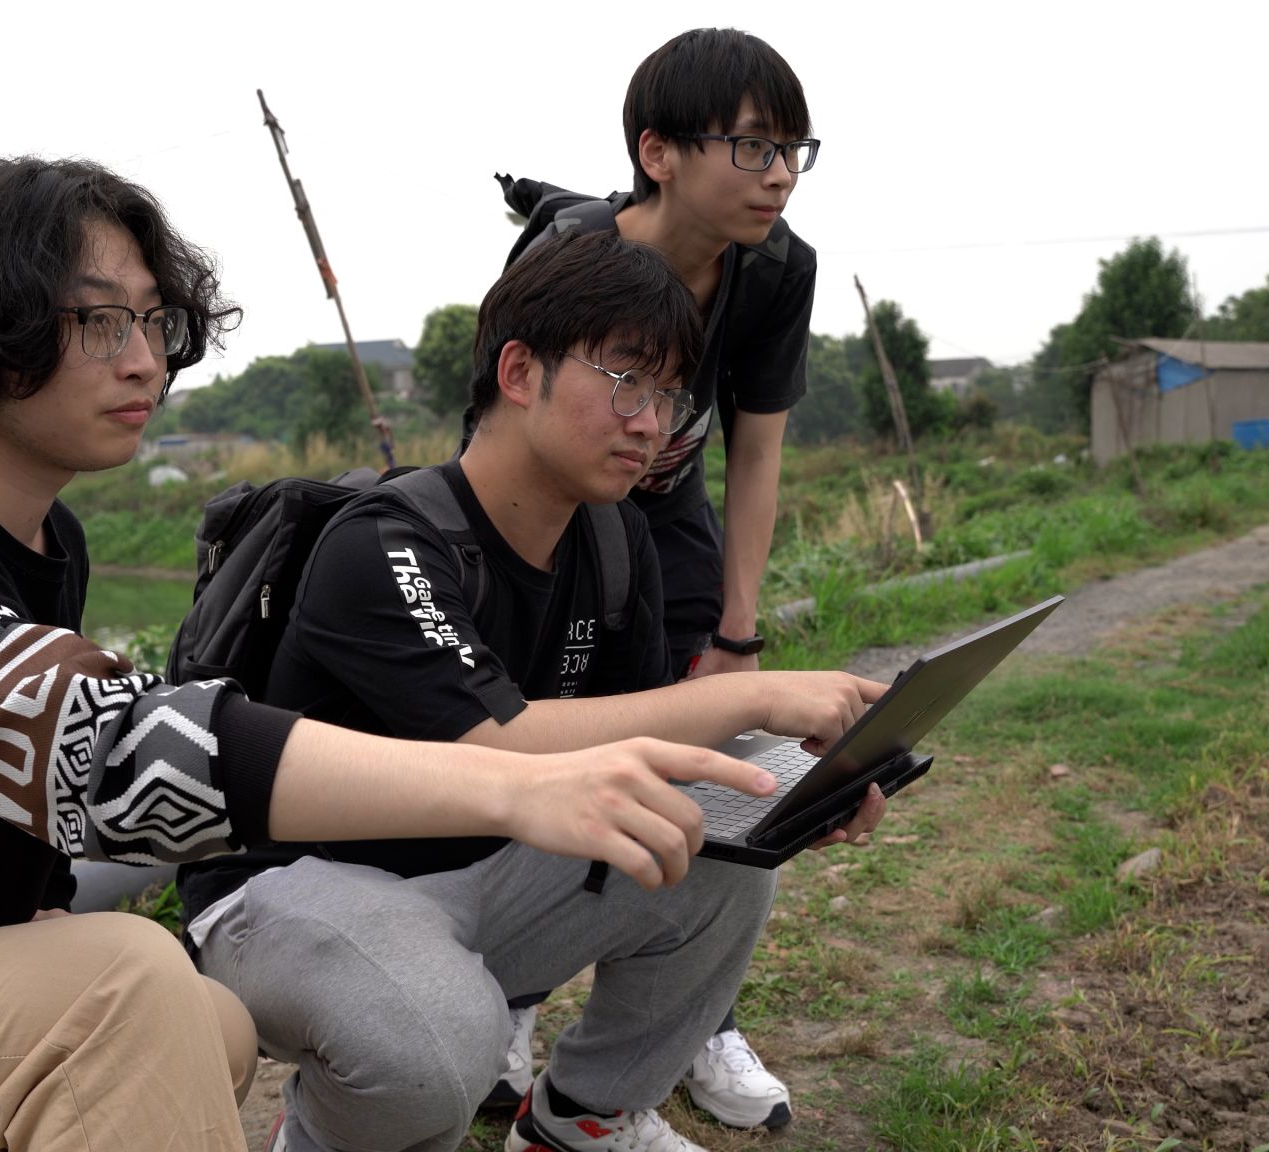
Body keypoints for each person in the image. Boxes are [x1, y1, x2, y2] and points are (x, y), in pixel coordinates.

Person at [0, 157, 782, 1152]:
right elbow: (109, 755)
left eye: (153, 321)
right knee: (133, 983)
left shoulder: (44, 542)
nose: (145, 357)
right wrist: (509, 781)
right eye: (100, 319)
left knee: (206, 1025)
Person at [177, 228, 890, 1152]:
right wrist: (752, 697)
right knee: (436, 1039)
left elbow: (643, 752)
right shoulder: (385, 541)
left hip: (486, 878)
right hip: (294, 892)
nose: (652, 423)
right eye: (626, 380)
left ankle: (585, 1119)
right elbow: (497, 743)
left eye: (670, 395)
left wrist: (789, 796)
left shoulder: (616, 540)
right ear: (519, 372)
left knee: (719, 859)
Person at [489, 27, 825, 1128]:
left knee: (717, 765)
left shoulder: (778, 270)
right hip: (550, 520)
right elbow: (499, 432)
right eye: (752, 147)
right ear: (658, 152)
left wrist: (737, 631)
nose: (778, 175)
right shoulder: (568, 254)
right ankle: (509, 998)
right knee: (545, 740)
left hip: (668, 515)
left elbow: (756, 451)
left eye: (793, 150)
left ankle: (697, 1020)